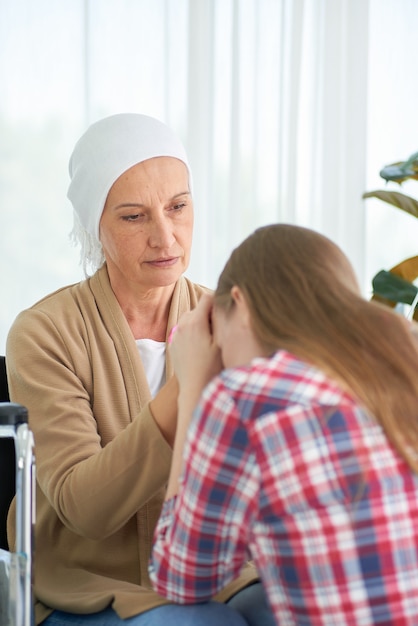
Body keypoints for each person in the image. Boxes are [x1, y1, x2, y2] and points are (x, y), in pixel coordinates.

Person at [6, 113, 275, 626]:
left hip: (217, 573)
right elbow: (84, 508)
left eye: (178, 207)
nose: (165, 236)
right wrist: (187, 387)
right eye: (133, 217)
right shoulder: (43, 333)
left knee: (298, 609)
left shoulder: (234, 318)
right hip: (90, 585)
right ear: (96, 226)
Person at [149, 223, 418, 625]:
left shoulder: (244, 396)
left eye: (217, 341)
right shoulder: (400, 366)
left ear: (238, 303)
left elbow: (180, 578)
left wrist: (193, 391)